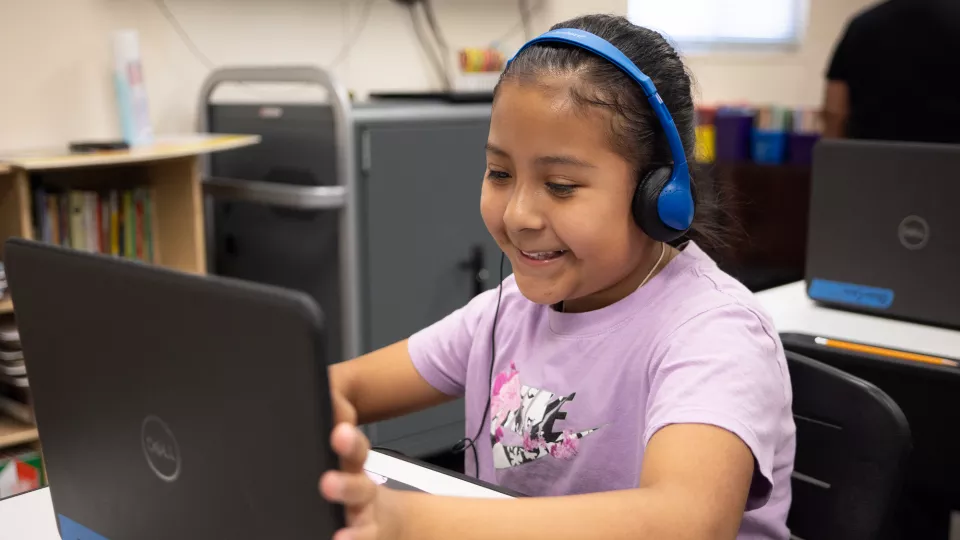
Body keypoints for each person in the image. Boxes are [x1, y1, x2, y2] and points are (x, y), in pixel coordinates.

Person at [322, 14, 795, 540]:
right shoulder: (508, 311)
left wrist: (409, 521)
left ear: (661, 194)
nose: (518, 214)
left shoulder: (714, 332)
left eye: (562, 185)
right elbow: (343, 388)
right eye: (500, 173)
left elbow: (686, 522)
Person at [823, 0, 960, 142]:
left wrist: (833, 157)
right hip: (951, 157)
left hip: (870, 156)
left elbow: (835, 111)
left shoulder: (862, 24)